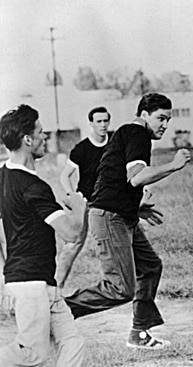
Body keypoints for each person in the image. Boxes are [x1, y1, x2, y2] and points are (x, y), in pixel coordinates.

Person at [63, 93, 191, 350]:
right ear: (144, 115)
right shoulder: (137, 133)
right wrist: (174, 165)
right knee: (120, 288)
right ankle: (58, 311)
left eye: (167, 119)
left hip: (121, 214)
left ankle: (139, 333)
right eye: (160, 118)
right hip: (110, 217)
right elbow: (136, 177)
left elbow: (113, 178)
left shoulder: (128, 134)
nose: (164, 125)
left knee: (150, 266)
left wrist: (135, 206)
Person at [0, 104, 87, 366]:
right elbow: (71, 234)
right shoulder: (35, 187)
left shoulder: (2, 177)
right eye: (41, 132)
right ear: (28, 139)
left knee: (73, 341)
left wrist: (6, 277)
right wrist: (79, 209)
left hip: (34, 282)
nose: (45, 137)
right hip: (32, 285)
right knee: (32, 354)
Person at [56, 106, 111, 290]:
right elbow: (65, 176)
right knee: (74, 243)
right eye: (99, 121)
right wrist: (73, 198)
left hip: (108, 203)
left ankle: (116, 286)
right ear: (91, 124)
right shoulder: (82, 149)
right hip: (86, 202)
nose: (103, 125)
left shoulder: (115, 146)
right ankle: (55, 288)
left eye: (105, 121)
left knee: (110, 244)